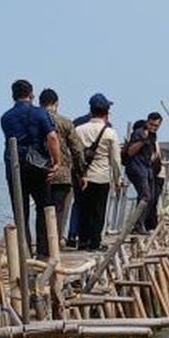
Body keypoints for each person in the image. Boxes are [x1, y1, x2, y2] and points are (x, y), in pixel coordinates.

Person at [0, 79, 61, 258]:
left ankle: (24, 251)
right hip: (37, 164)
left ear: (13, 96)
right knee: (43, 206)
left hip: (15, 165)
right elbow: (52, 137)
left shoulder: (6, 117)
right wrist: (56, 161)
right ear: (31, 94)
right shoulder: (40, 113)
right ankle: (43, 251)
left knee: (20, 210)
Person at [38, 88, 84, 252]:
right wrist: (81, 173)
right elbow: (77, 150)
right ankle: (54, 246)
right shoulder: (65, 122)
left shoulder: (35, 120)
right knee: (58, 212)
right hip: (62, 174)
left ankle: (42, 247)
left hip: (41, 173)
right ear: (56, 103)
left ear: (40, 103)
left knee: (41, 211)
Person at [74, 94, 121, 251]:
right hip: (101, 176)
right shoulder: (110, 133)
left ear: (91, 111)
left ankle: (82, 240)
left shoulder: (79, 130)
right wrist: (117, 180)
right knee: (98, 211)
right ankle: (95, 242)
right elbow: (115, 159)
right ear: (106, 113)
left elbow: (74, 154)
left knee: (83, 209)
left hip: (83, 176)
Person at [124, 111, 163, 232]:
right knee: (145, 196)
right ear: (147, 122)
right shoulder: (139, 133)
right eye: (151, 124)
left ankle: (140, 224)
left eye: (156, 126)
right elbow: (130, 151)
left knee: (150, 197)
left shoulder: (153, 135)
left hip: (147, 169)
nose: (153, 127)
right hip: (137, 168)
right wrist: (143, 140)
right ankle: (137, 225)